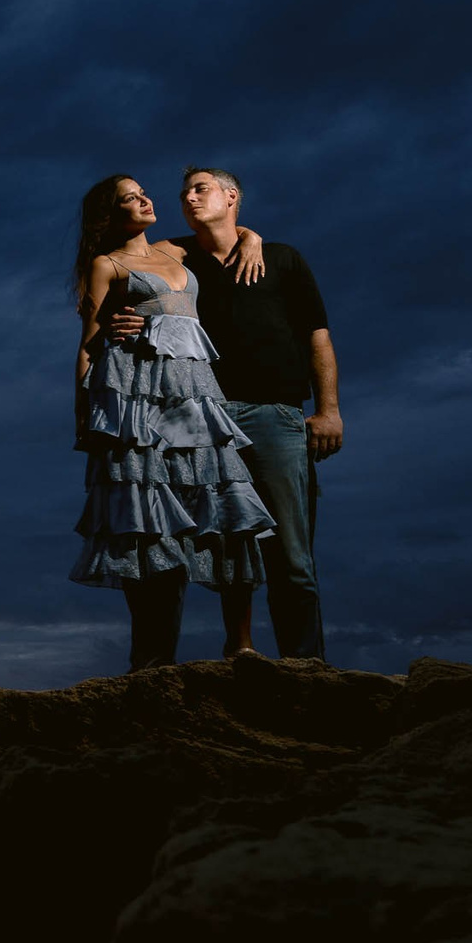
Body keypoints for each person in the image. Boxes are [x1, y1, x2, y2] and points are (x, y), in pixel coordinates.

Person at [129, 166, 340, 660]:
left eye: (200, 189)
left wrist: (328, 409)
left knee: (292, 555)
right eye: (184, 192)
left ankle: (306, 668)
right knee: (226, 541)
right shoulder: (176, 259)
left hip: (276, 415)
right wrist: (124, 316)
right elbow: (124, 262)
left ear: (231, 196)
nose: (188, 197)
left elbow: (318, 337)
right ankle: (239, 647)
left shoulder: (283, 259)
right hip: (202, 417)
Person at [68, 174, 276, 671]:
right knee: (150, 520)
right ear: (110, 214)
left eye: (143, 192)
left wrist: (252, 236)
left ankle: (240, 644)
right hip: (139, 401)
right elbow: (89, 345)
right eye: (130, 198)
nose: (145, 199)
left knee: (225, 502)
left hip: (196, 395)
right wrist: (88, 419)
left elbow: (227, 231)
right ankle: (152, 659)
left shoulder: (177, 252)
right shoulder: (107, 264)